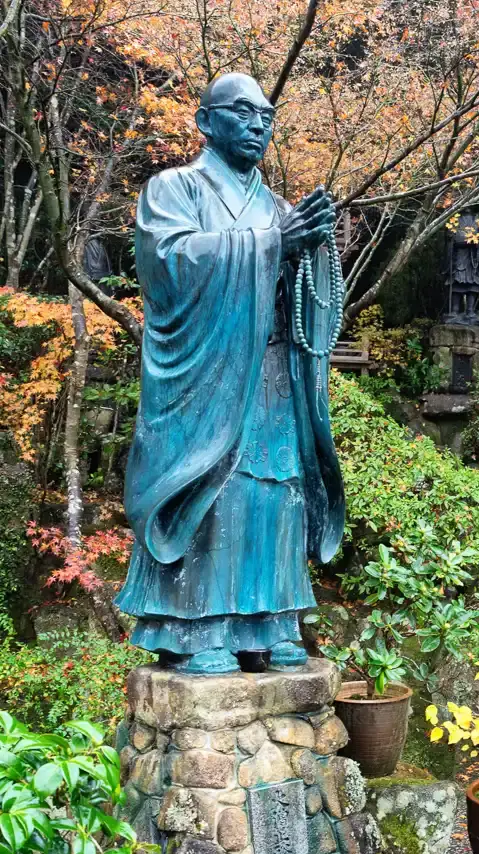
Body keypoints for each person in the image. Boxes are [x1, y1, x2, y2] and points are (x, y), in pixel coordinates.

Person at [115, 73, 344, 675]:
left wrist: (309, 249)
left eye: (266, 116)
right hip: (210, 379)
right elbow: (169, 264)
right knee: (218, 491)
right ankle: (198, 627)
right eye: (242, 113)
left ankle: (272, 621)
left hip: (273, 376)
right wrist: (273, 242)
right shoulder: (175, 188)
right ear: (205, 121)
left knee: (277, 491)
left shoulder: (276, 205)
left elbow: (304, 303)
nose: (257, 125)